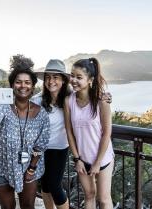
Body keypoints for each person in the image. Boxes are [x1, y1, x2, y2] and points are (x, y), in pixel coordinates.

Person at [0, 54, 50, 209]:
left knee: (28, 206)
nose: (23, 86)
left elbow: (40, 145)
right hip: (1, 165)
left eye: (27, 82)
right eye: (18, 82)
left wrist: (31, 169)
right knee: (7, 207)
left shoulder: (41, 113)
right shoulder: (3, 105)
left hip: (29, 167)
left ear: (33, 86)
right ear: (12, 85)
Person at [64, 58, 114, 209]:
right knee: (89, 195)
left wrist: (98, 162)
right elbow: (69, 132)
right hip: (82, 159)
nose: (73, 80)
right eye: (72, 75)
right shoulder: (68, 101)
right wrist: (77, 159)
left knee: (104, 199)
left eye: (79, 77)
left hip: (103, 159)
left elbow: (106, 134)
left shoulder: (101, 102)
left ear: (90, 80)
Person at [31, 59, 71, 209]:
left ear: (63, 80)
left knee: (55, 186)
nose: (51, 81)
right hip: (40, 149)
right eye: (48, 77)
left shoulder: (71, 98)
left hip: (59, 148)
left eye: (55, 77)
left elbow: (89, 101)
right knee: (45, 186)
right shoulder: (38, 100)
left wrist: (104, 97)